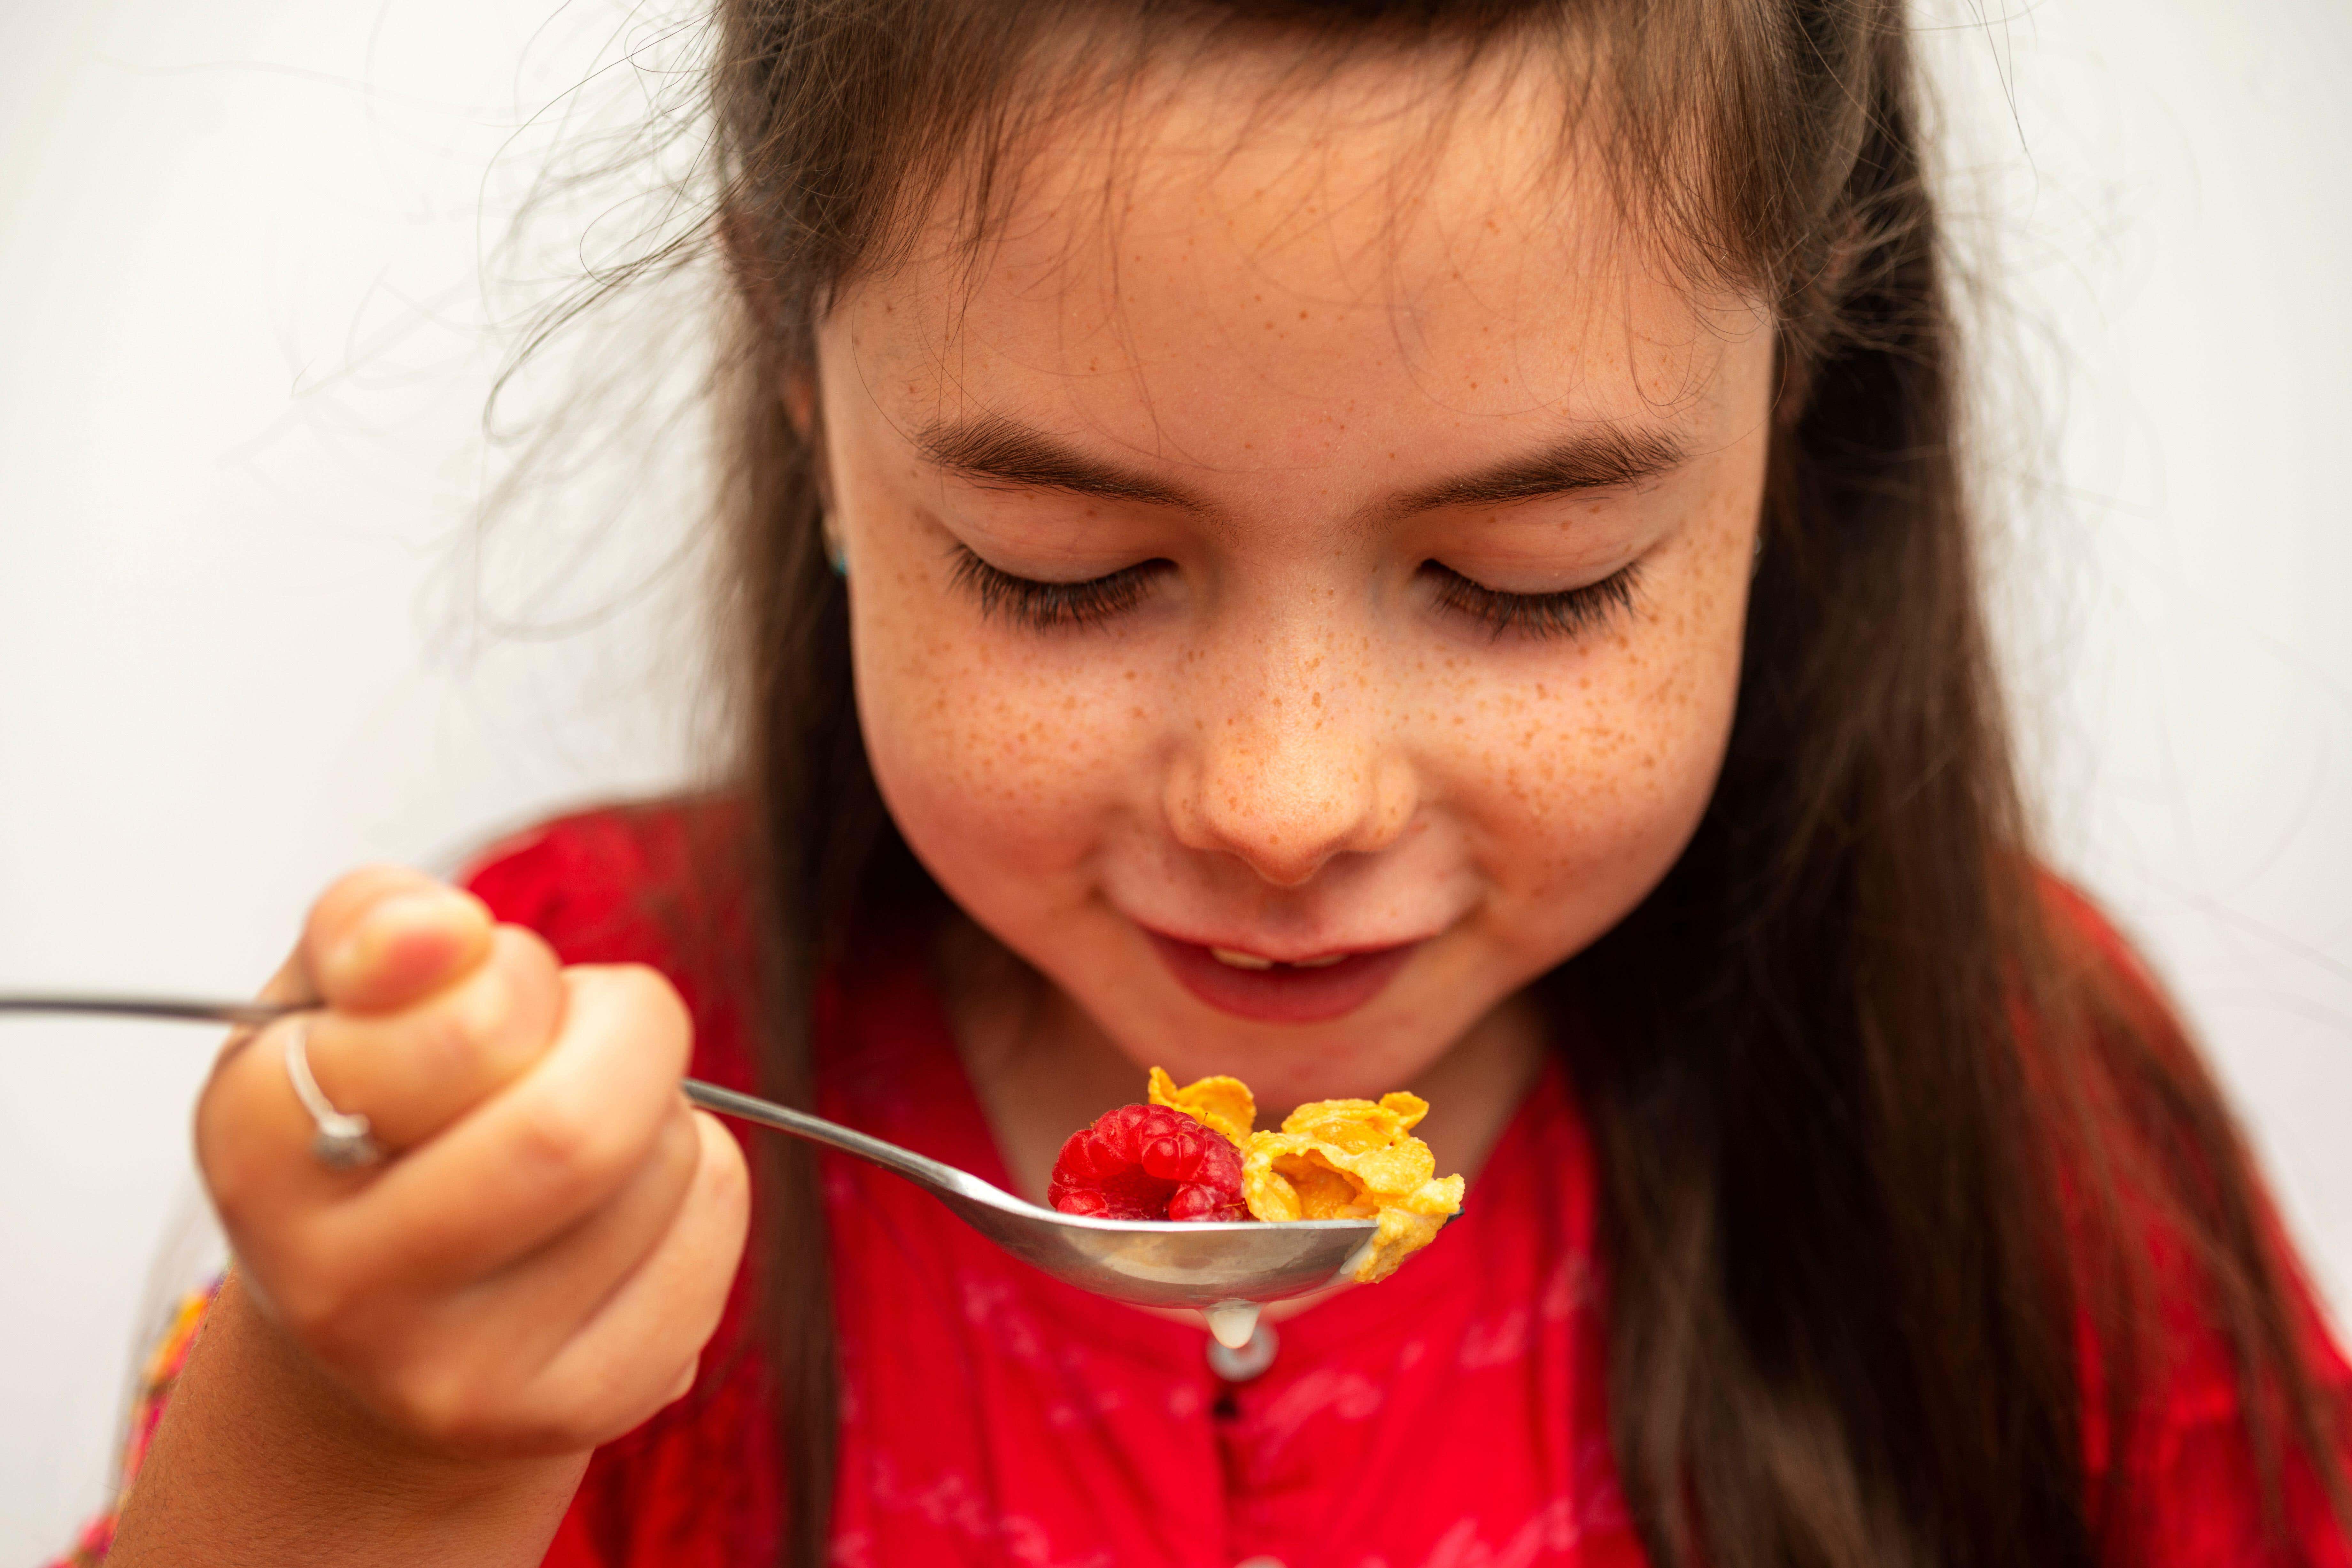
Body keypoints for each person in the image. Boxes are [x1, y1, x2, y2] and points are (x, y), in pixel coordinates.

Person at [60, 1, 2352, 1564]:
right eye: (1066, 573)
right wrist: (361, 1440)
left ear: (1791, 421)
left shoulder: (2023, 1121)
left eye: (1532, 582)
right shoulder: (570, 1089)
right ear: (795, 374)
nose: (1287, 798)